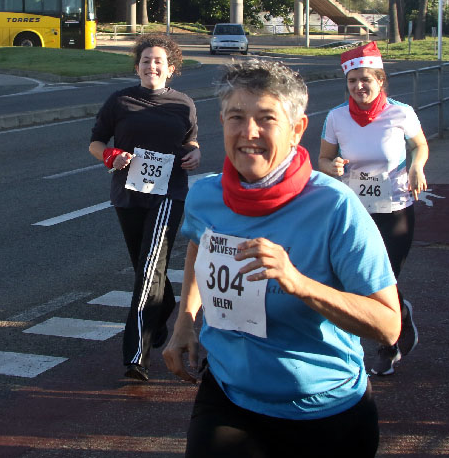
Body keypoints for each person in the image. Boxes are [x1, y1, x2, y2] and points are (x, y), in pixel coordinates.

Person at [163, 58, 399, 457]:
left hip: (324, 410)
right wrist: (186, 318)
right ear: (221, 122)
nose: (248, 133)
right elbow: (200, 245)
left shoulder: (334, 207)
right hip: (228, 395)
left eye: (266, 119)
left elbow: (389, 326)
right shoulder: (206, 195)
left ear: (297, 129)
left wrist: (299, 283)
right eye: (236, 117)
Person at [89, 33, 200, 381]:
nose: (152, 66)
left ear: (171, 69)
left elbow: (190, 141)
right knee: (146, 267)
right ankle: (163, 308)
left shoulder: (183, 104)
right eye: (147, 60)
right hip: (128, 194)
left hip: (168, 194)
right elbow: (95, 143)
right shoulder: (119, 101)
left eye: (159, 61)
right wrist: (111, 156)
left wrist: (196, 152)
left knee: (150, 267)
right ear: (137, 66)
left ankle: (136, 355)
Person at [318, 41, 428, 376]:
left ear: (380, 80)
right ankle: (401, 316)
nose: (359, 86)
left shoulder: (401, 112)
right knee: (361, 280)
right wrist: (331, 166)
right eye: (352, 81)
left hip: (395, 208)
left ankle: (388, 345)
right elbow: (323, 158)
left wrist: (416, 166)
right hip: (354, 211)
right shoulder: (336, 117)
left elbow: (419, 145)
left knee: (386, 276)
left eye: (366, 79)